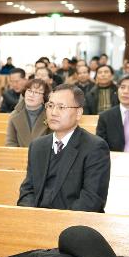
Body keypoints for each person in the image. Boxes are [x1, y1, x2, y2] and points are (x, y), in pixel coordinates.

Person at [17, 84, 110, 212]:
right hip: (37, 221)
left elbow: (92, 199)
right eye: (50, 106)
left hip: (74, 225)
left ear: (78, 113)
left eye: (61, 107)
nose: (54, 112)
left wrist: (59, 222)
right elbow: (28, 190)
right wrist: (31, 216)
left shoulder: (95, 147)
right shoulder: (37, 146)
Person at [6, 79, 51, 147]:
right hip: (19, 155)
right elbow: (10, 143)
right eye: (29, 91)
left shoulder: (50, 115)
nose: (31, 95)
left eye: (37, 92)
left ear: (44, 97)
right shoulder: (14, 115)